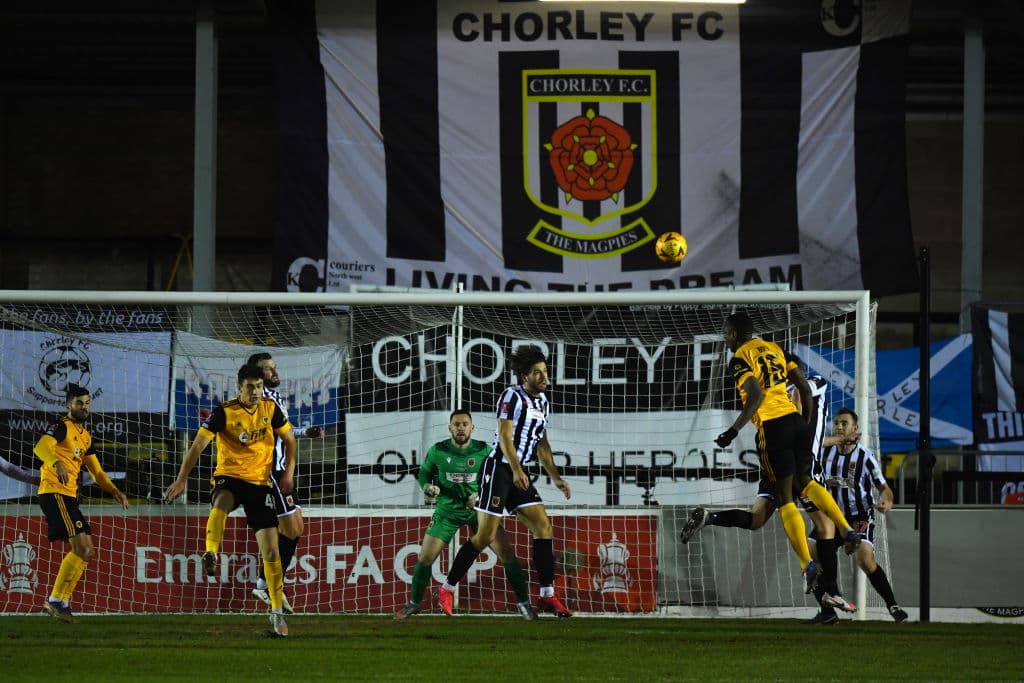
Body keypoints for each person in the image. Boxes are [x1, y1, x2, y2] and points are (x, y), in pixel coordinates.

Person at [681, 371, 858, 618]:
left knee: (757, 518)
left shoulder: (766, 392)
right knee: (825, 526)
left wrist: (838, 439)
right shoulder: (811, 383)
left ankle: (711, 517)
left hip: (772, 454)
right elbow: (801, 396)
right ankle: (832, 589)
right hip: (799, 459)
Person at [710, 312, 863, 593]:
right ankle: (847, 529)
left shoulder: (740, 358)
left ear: (733, 334)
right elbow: (804, 387)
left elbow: (756, 396)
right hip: (795, 422)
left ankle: (807, 564)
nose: (725, 339)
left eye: (726, 334)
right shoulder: (776, 349)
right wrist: (803, 423)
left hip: (772, 426)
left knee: (784, 498)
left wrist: (733, 430)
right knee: (806, 482)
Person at [436, 345, 573, 618]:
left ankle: (547, 594)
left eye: (545, 371)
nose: (544, 377)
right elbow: (505, 437)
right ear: (525, 376)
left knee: (544, 526)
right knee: (485, 536)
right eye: (537, 372)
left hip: (518, 471)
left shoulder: (544, 403)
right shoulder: (512, 396)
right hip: (499, 469)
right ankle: (447, 588)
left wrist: (556, 478)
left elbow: (542, 444)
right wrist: (517, 470)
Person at [164, 364, 298, 637]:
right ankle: (211, 551)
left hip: (259, 484)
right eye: (250, 387)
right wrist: (181, 479)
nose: (255, 392)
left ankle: (276, 612)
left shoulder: (270, 409)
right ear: (238, 388)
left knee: (271, 552)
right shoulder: (224, 412)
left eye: (259, 387)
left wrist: (289, 472)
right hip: (229, 476)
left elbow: (290, 439)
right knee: (222, 501)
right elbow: (197, 446)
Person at [395, 410, 536, 620]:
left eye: (464, 424)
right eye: (456, 424)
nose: (460, 428)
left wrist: (481, 495)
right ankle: (414, 604)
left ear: (472, 428)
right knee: (425, 558)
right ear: (450, 428)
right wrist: (427, 487)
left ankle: (524, 605)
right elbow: (424, 473)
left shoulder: (484, 450)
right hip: (447, 511)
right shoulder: (438, 450)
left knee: (506, 554)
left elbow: (497, 477)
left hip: (480, 512)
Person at [34, 383, 129, 622]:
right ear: (69, 405)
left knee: (87, 551)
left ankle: (61, 602)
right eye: (79, 403)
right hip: (54, 492)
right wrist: (56, 463)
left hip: (68, 497)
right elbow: (41, 446)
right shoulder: (61, 427)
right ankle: (56, 600)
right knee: (82, 549)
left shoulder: (85, 437)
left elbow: (97, 472)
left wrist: (114, 490)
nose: (84, 407)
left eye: (87, 403)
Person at [246, 352, 324, 614]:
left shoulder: (275, 398)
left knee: (295, 528)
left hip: (281, 470)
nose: (275, 372)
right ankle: (267, 585)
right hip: (269, 471)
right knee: (291, 530)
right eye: (268, 369)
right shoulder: (258, 400)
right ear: (257, 375)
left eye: (274, 367)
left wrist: (305, 432)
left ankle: (264, 584)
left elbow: (284, 431)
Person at [815, 408, 909, 623]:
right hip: (833, 518)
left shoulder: (866, 457)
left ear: (855, 428)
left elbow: (884, 488)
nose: (839, 427)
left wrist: (887, 501)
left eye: (844, 423)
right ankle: (828, 611)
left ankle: (892, 605)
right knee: (813, 554)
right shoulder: (824, 453)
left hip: (859, 517)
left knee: (864, 559)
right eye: (836, 423)